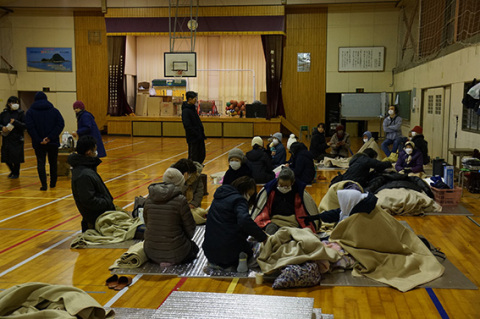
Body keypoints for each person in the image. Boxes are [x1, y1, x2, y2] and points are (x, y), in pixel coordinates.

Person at [203, 176, 268, 270]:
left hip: (209, 252)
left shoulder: (218, 197)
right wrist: (262, 237)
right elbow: (244, 220)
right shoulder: (239, 200)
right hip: (229, 253)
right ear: (245, 191)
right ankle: (239, 261)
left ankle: (218, 263)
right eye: (249, 194)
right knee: (251, 251)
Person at [143, 168, 198, 265]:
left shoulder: (149, 198)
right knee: (194, 248)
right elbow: (190, 230)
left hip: (151, 253)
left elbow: (147, 224)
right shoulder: (181, 200)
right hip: (176, 253)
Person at [251, 167, 320, 235]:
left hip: (293, 222)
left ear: (292, 183)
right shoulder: (269, 191)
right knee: (270, 231)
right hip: (274, 221)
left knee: (302, 235)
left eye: (286, 186)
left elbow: (308, 212)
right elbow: (262, 209)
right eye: (280, 185)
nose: (283, 188)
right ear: (277, 181)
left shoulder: (300, 192)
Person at [68, 135, 115, 232]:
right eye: (95, 150)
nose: (96, 153)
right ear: (89, 152)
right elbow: (89, 201)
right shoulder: (84, 175)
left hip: (99, 215)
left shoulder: (87, 169)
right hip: (96, 219)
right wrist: (107, 202)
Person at [25, 91, 65, 190]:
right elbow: (60, 124)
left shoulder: (30, 112)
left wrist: (39, 139)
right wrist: (50, 137)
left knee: (41, 163)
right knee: (53, 163)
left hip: (38, 143)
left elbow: (30, 127)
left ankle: (44, 184)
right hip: (53, 142)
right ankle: (53, 183)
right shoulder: (54, 111)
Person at [172, 158, 207, 224]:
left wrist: (193, 204)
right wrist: (184, 183)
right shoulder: (172, 177)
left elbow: (199, 191)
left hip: (193, 206)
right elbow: (175, 193)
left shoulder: (196, 176)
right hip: (179, 208)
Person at [0, 96, 26, 179]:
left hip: (17, 138)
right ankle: (12, 170)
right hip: (6, 137)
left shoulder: (21, 113)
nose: (15, 104)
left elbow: (24, 126)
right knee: (6, 156)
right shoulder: (4, 113)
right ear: (8, 103)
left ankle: (16, 173)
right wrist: (1, 128)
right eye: (13, 102)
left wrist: (15, 122)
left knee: (16, 157)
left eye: (16, 102)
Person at [181, 91, 206, 164]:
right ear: (189, 99)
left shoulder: (193, 109)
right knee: (193, 157)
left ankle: (197, 171)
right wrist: (195, 133)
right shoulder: (186, 111)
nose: (196, 100)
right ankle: (190, 173)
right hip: (193, 138)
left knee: (201, 155)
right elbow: (187, 125)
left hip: (199, 136)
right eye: (194, 98)